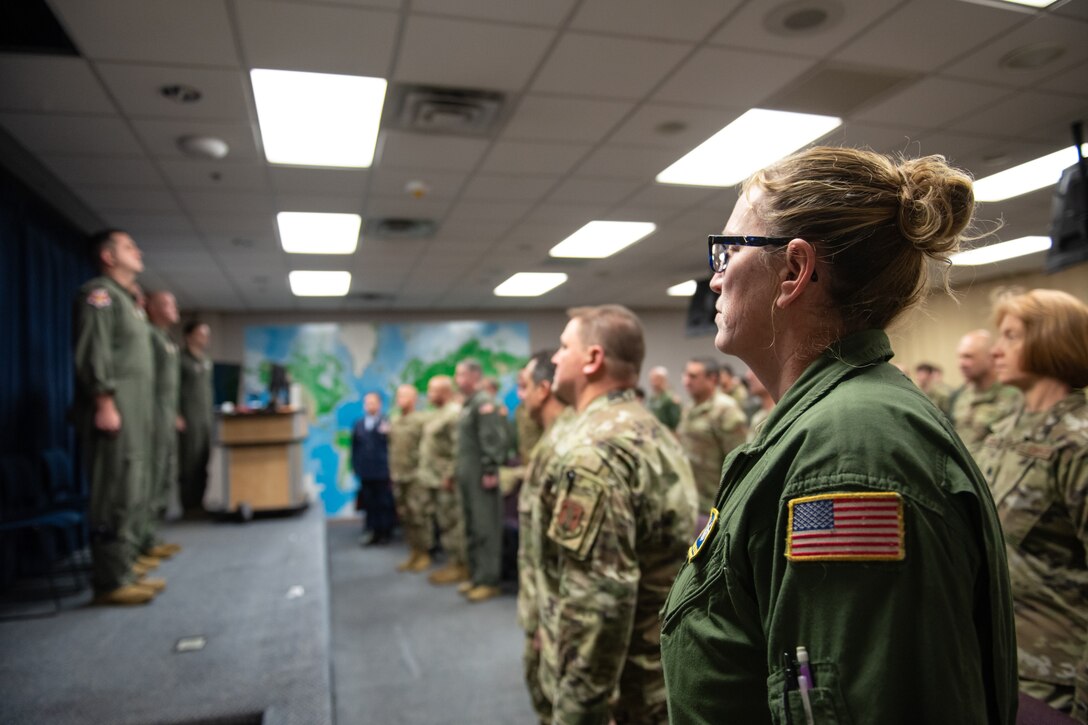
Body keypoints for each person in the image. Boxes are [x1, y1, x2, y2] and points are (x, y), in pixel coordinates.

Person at [660, 147, 1017, 724]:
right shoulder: (823, 423)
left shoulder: (851, 449)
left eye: (729, 250)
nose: (715, 274)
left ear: (795, 271)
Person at [541, 305, 697, 724]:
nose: (554, 358)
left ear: (592, 359)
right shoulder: (652, 429)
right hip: (664, 662)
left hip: (628, 685)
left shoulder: (594, 451)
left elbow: (600, 599)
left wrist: (578, 711)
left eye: (563, 347)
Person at [975, 289, 1088, 720]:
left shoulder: (1077, 441)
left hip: (1056, 676)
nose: (996, 350)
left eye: (1010, 337)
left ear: (1051, 340)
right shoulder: (1004, 431)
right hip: (1001, 661)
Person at [72, 229, 162, 605]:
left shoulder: (129, 303)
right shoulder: (99, 295)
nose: (137, 250)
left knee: (134, 488)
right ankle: (109, 580)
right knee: (114, 493)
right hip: (115, 409)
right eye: (128, 246)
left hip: (136, 411)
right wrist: (104, 400)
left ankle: (124, 564)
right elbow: (95, 351)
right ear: (108, 257)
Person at [515, 351, 575, 723]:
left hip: (557, 616)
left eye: (523, 386)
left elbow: (565, 557)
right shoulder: (549, 441)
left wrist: (546, 624)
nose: (519, 396)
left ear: (543, 388)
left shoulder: (563, 447)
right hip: (542, 607)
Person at [453, 359, 508, 602]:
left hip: (481, 475)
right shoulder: (469, 404)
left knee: (486, 527)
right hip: (468, 475)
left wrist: (489, 469)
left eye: (461, 375)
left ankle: (489, 580)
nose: (457, 380)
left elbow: (492, 439)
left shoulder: (484, 403)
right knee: (473, 526)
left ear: (474, 377)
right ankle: (477, 575)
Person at [140, 291, 183, 562]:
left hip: (166, 415)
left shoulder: (166, 340)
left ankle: (149, 537)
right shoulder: (148, 336)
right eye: (167, 303)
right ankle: (139, 544)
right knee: (149, 479)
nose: (174, 308)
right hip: (150, 416)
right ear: (151, 308)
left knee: (163, 476)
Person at [676, 357, 748, 516]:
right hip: (693, 502)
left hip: (716, 506)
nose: (686, 381)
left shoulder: (725, 409)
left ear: (712, 379)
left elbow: (738, 463)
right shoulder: (689, 410)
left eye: (693, 376)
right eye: (685, 376)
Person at [417, 375, 469, 586]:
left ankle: (460, 565)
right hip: (433, 478)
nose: (429, 394)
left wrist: (450, 475)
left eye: (433, 390)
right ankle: (452, 562)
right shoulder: (437, 413)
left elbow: (458, 449)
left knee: (452, 524)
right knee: (443, 522)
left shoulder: (454, 414)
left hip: (446, 480)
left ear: (446, 392)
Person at [952, 329, 1021, 457]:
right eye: (959, 356)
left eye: (968, 356)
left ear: (990, 358)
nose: (961, 363)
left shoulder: (1014, 397)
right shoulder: (962, 396)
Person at [388, 384, 429, 571]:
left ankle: (424, 553)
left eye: (404, 395)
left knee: (419, 516)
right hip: (399, 476)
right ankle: (413, 551)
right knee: (405, 516)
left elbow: (427, 450)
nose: (400, 399)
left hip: (415, 477)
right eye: (398, 395)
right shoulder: (395, 421)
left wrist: (423, 472)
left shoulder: (421, 421)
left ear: (413, 399)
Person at [177, 320, 214, 516]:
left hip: (204, 418)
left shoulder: (205, 360)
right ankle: (189, 506)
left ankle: (200, 503)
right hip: (188, 418)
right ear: (189, 335)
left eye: (207, 335)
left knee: (203, 461)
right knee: (189, 463)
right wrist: (176, 414)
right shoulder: (180, 359)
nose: (205, 339)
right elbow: (171, 389)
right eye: (201, 334)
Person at [352, 392, 394, 545]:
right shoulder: (359, 424)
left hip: (383, 471)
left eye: (373, 403)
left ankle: (385, 531)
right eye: (367, 403)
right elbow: (354, 448)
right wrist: (355, 467)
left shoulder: (387, 422)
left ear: (379, 404)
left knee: (383, 502)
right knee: (369, 502)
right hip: (365, 471)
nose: (370, 406)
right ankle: (371, 530)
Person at [646, 365, 681, 430]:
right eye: (651, 379)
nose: (653, 383)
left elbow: (674, 423)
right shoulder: (651, 398)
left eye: (655, 379)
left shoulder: (670, 398)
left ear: (663, 379)